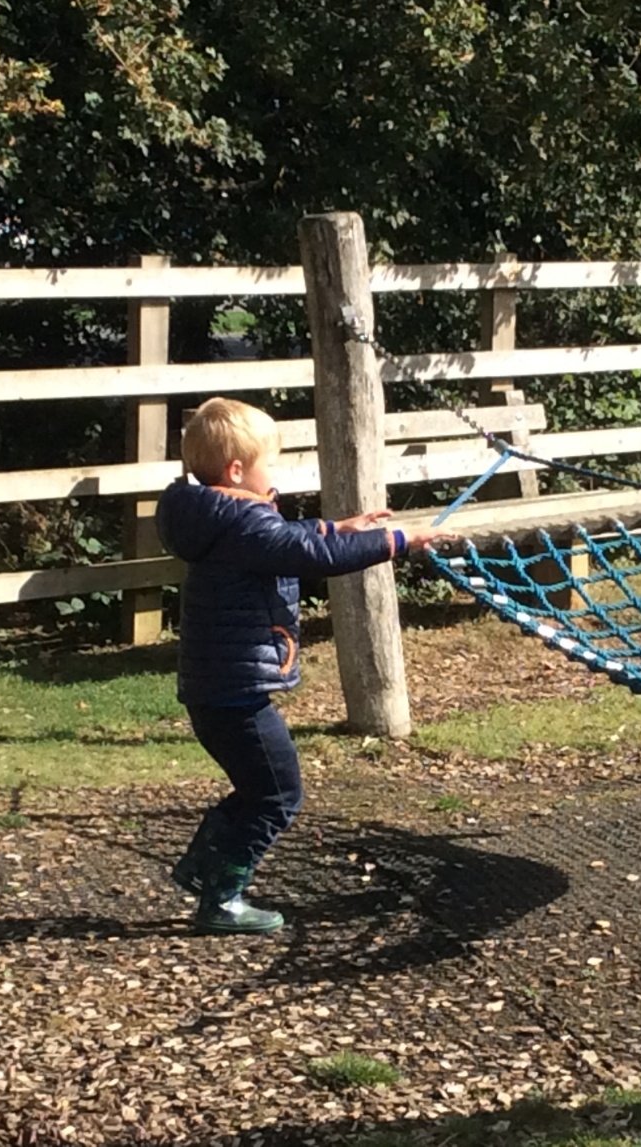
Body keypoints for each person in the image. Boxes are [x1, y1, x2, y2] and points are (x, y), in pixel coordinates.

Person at [154, 397, 439, 935]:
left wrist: (338, 527)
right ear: (237, 471)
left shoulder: (215, 517)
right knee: (278, 796)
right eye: (270, 463)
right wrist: (395, 541)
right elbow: (304, 555)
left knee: (258, 790)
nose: (275, 474)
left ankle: (203, 866)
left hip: (217, 690)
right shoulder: (242, 522)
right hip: (236, 695)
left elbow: (287, 541)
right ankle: (221, 899)